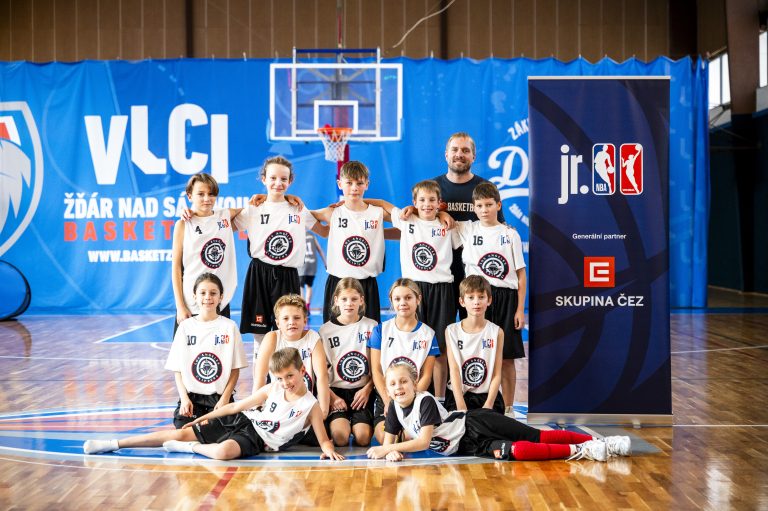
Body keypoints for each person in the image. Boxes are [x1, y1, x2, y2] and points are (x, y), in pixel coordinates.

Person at [83, 348, 344, 461]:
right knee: (179, 432)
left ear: (302, 371)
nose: (285, 382)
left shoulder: (310, 405)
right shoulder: (272, 388)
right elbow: (236, 407)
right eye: (280, 378)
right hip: (243, 421)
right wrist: (201, 418)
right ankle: (114, 443)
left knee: (222, 453)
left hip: (257, 439)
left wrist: (329, 450)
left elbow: (323, 439)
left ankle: (188, 449)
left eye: (290, 376)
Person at [366, 362, 631, 462]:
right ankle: (582, 451)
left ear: (415, 383)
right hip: (467, 446)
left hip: (476, 423)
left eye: (404, 381)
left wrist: (388, 449)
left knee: (535, 436)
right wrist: (391, 451)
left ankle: (603, 442)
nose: (399, 387)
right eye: (393, 384)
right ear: (387, 389)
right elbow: (390, 443)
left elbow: (423, 442)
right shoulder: (394, 408)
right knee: (517, 452)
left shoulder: (423, 401)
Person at [363, 180, 457, 404]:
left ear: (440, 203)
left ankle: (439, 399)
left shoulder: (447, 225)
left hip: (441, 289)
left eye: (432, 200)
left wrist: (444, 215)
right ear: (414, 202)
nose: (427, 204)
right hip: (414, 289)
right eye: (421, 200)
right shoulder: (407, 220)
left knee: (440, 348)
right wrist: (353, 200)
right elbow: (383, 204)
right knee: (413, 345)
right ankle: (408, 396)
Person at [233, 156, 329, 367]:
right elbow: (224, 224)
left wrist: (342, 211)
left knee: (287, 332)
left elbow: (324, 231)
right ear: (264, 179)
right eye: (273, 178)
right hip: (259, 273)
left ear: (290, 181)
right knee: (260, 335)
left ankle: (283, 381)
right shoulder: (254, 207)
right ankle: (260, 384)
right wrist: (197, 214)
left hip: (287, 275)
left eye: (283, 179)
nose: (278, 183)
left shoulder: (298, 209)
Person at [453, 182, 525, 415]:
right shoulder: (467, 229)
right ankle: (473, 404)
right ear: (474, 207)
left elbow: (521, 274)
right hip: (477, 297)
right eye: (479, 205)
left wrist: (519, 309)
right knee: (475, 354)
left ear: (498, 205)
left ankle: (509, 408)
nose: (484, 210)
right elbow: (440, 219)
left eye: (489, 205)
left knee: (507, 357)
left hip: (505, 297)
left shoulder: (510, 234)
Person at [431, 132, 505, 321]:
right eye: (454, 150)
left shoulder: (485, 188)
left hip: (476, 272)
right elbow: (418, 224)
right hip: (441, 271)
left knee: (476, 330)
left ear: (473, 156)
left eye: (465, 150)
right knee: (441, 331)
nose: (459, 154)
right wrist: (440, 213)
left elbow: (499, 228)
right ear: (446, 154)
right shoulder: (432, 188)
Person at [166, 272, 248, 428]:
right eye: (202, 293)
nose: (208, 297)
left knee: (220, 432)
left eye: (213, 293)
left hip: (219, 399)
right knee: (183, 430)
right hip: (192, 399)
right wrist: (184, 399)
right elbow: (177, 369)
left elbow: (235, 370)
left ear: (221, 297)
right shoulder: (185, 327)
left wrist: (225, 399)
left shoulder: (229, 327)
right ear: (194, 297)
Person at [312, 161, 389, 323]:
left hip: (366, 285)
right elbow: (296, 212)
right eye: (349, 183)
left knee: (369, 335)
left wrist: (381, 206)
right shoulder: (331, 212)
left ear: (367, 184)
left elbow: (409, 220)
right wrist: (290, 198)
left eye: (359, 183)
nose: (354, 187)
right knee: (334, 334)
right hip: (338, 283)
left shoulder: (378, 213)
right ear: (339, 184)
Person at [368, 278, 440, 443]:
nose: (403, 303)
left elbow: (426, 375)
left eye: (408, 297)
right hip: (388, 395)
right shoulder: (381, 330)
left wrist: (410, 401)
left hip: (416, 397)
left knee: (407, 436)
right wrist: (389, 401)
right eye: (397, 299)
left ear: (418, 299)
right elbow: (376, 370)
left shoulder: (428, 334)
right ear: (392, 301)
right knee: (383, 437)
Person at [171, 173, 241, 330]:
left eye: (211, 194)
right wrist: (180, 306)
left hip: (218, 301)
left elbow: (256, 208)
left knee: (219, 345)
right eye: (201, 194)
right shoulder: (183, 225)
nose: (207, 199)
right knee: (186, 346)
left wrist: (286, 197)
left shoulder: (224, 216)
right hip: (191, 303)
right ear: (190, 196)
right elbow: (176, 268)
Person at [251, 294, 330, 421]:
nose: (291, 322)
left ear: (305, 321)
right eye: (286, 318)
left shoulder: (312, 337)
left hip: (306, 405)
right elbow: (260, 376)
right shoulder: (272, 338)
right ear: (278, 323)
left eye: (297, 318)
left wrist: (324, 411)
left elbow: (322, 376)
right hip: (278, 405)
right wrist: (256, 407)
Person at [320, 277, 378, 447]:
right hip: (336, 392)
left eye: (354, 299)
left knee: (363, 438)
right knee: (340, 438)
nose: (349, 304)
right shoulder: (325, 330)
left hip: (363, 392)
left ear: (361, 300)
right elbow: (320, 372)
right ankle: (341, 424)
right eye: (344, 299)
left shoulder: (372, 326)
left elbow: (378, 367)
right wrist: (332, 397)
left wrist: (368, 389)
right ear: (336, 300)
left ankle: (359, 424)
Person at [444, 275, 504, 414]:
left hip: (487, 396)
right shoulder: (451, 331)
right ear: (462, 301)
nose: (476, 302)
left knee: (487, 424)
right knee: (463, 425)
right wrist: (461, 406)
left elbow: (496, 374)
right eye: (471, 297)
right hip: (459, 395)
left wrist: (488, 405)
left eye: (481, 297)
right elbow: (454, 370)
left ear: (489, 300)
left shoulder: (497, 332)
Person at [298, 231, 327, 312]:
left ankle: (303, 306)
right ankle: (307, 306)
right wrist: (325, 263)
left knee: (301, 286)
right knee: (309, 285)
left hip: (302, 263)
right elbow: (320, 250)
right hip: (312, 263)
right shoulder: (312, 235)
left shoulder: (298, 235)